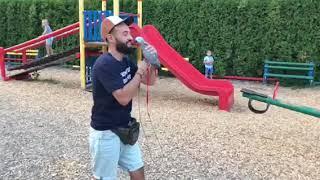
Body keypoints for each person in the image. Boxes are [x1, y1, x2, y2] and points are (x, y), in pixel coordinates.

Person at [89, 15, 158, 180]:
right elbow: (123, 98)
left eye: (130, 34)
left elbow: (150, 81)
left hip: (124, 127)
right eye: (125, 34)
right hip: (105, 132)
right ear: (111, 38)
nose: (131, 38)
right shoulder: (104, 64)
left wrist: (154, 62)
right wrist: (140, 71)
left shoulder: (126, 60)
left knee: (137, 169)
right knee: (106, 178)